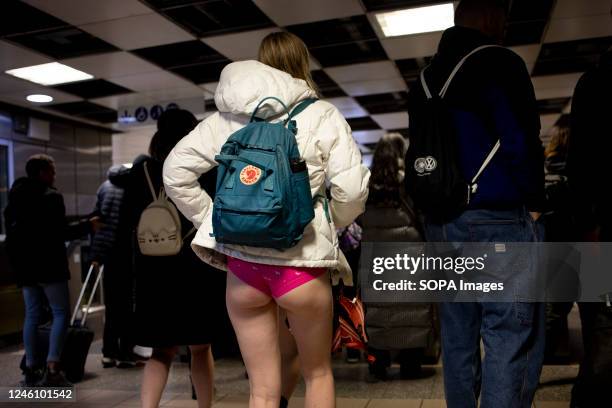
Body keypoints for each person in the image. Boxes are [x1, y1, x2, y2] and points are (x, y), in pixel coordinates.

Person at [163, 32, 370, 408]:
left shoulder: (226, 118)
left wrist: (214, 218)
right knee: (318, 374)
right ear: (302, 66)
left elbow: (175, 172)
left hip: (244, 269)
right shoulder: (323, 114)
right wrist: (328, 220)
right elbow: (352, 192)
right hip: (301, 265)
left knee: (260, 390)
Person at [408, 1, 545, 407]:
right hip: (498, 219)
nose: (506, 22)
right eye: (503, 13)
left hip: (442, 223)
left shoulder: (425, 77)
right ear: (488, 15)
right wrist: (535, 203)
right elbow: (521, 140)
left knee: (458, 337)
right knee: (507, 334)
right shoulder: (500, 62)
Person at [115, 109, 220, 408]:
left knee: (162, 351)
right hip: (198, 267)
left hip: (155, 272)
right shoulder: (204, 168)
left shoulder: (141, 172)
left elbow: (126, 226)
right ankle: (205, 407)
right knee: (201, 348)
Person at [4, 154, 100, 386]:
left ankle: (30, 367)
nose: (54, 175)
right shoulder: (51, 197)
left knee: (32, 315)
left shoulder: (15, 197)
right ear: (41, 172)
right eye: (52, 171)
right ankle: (53, 367)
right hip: (49, 266)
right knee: (60, 313)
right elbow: (60, 232)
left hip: (25, 267)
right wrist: (88, 226)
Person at [360, 133, 433, 382]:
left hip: (375, 255)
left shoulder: (366, 185)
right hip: (409, 253)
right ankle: (410, 365)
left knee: (378, 312)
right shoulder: (410, 181)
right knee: (412, 310)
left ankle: (378, 363)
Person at [566, 39, 612, 407]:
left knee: (600, 327)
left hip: (599, 227)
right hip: (598, 226)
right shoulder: (596, 84)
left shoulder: (594, 83)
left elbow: (580, 167)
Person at [89, 164, 139, 369]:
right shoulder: (132, 190)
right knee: (128, 306)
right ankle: (125, 353)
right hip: (127, 255)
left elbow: (97, 221)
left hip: (108, 255)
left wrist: (96, 254)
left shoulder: (104, 187)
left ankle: (108, 353)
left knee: (112, 306)